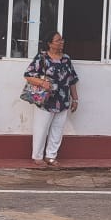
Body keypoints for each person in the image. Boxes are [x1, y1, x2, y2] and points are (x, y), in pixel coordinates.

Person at [23, 32, 79, 167]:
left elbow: (72, 80)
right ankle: (37, 157)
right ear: (49, 43)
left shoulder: (66, 59)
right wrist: (42, 83)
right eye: (58, 40)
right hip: (45, 100)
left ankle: (51, 156)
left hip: (63, 100)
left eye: (62, 40)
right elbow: (28, 75)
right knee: (41, 129)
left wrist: (75, 99)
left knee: (57, 129)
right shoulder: (42, 57)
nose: (61, 42)